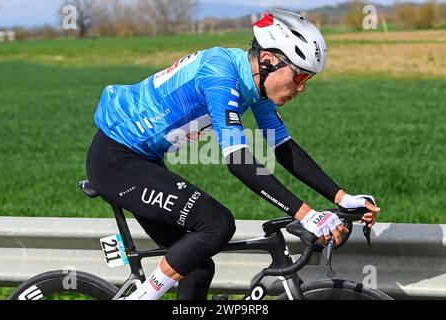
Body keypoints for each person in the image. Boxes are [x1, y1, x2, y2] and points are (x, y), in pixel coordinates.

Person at [85, 8, 381, 300]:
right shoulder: (220, 73)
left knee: (197, 267)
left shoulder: (256, 85)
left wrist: (341, 197)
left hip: (143, 160)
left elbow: (283, 147)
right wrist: (307, 215)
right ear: (268, 61)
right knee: (217, 224)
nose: (302, 88)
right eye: (300, 77)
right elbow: (238, 161)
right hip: (115, 160)